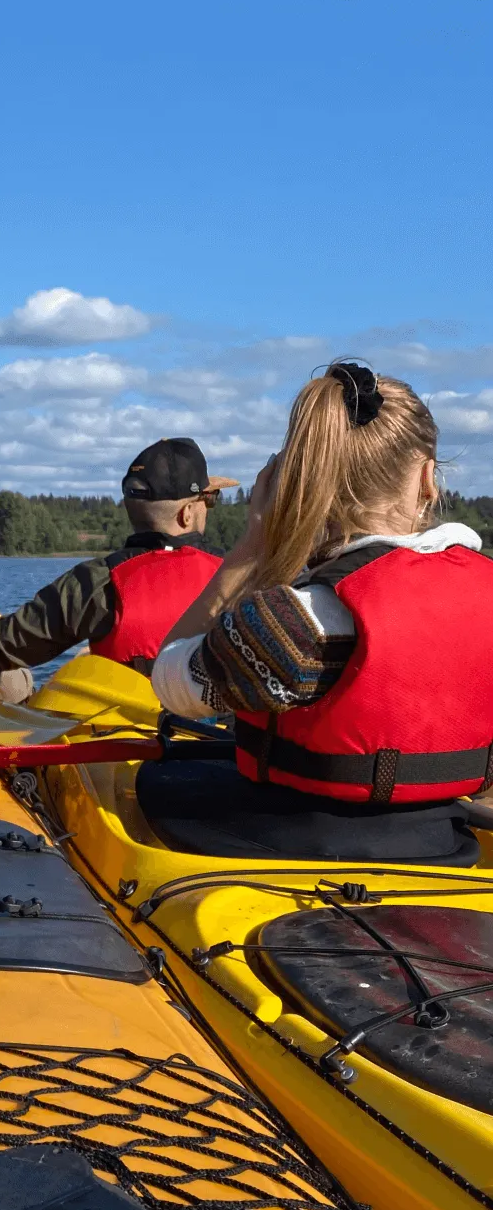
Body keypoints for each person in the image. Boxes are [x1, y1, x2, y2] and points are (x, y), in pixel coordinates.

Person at [142, 362, 493, 863]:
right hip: (442, 844)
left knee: (161, 777)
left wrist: (250, 549)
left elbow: (170, 682)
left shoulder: (298, 621)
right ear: (427, 478)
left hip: (296, 841)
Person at [0, 439, 238, 682]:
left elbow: (9, 641)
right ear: (187, 514)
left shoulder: (97, 581)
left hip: (126, 734)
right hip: (217, 736)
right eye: (209, 500)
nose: (209, 507)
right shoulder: (238, 577)